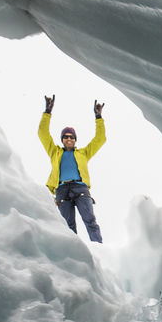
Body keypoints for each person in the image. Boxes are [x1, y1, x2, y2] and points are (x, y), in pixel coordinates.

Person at [39, 94, 106, 242]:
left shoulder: (83, 153)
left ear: (75, 140)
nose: (69, 138)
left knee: (90, 221)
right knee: (68, 227)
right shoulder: (54, 152)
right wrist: (47, 113)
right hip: (62, 190)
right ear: (62, 140)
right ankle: (74, 255)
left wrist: (98, 117)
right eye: (66, 137)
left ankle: (98, 247)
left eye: (71, 137)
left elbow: (100, 140)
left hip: (80, 188)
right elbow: (42, 134)